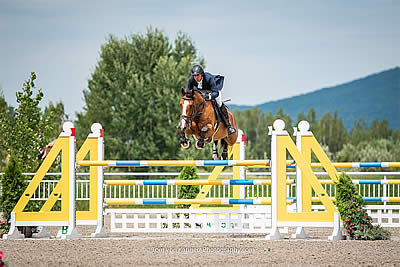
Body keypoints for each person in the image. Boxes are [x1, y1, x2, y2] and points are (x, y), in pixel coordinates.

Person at [186, 64, 236, 135]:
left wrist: (209, 96)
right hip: (200, 93)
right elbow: (188, 92)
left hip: (212, 92)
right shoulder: (191, 79)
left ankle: (228, 125)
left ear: (202, 74)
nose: (196, 77)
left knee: (219, 103)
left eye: (197, 75)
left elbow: (216, 92)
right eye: (194, 76)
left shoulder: (209, 78)